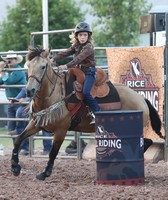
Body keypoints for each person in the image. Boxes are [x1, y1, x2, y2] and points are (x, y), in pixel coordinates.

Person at [51, 22, 98, 154]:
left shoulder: (89, 47)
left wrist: (66, 66)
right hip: (79, 71)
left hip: (89, 72)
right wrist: (54, 58)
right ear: (76, 36)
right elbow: (67, 52)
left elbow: (78, 59)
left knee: (86, 92)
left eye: (85, 35)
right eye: (80, 35)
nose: (82, 37)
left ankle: (97, 113)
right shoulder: (76, 45)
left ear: (88, 36)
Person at [8, 87, 52, 155]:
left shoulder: (42, 86)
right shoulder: (25, 88)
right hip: (32, 110)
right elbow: (19, 97)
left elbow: (40, 97)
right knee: (20, 113)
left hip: (43, 109)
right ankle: (25, 147)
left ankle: (47, 149)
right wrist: (15, 100)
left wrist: (25, 99)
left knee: (45, 126)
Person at [0, 51, 27, 151]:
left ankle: (25, 148)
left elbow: (9, 81)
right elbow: (1, 81)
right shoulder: (9, 71)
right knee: (11, 128)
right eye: (7, 59)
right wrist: (2, 71)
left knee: (21, 125)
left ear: (16, 60)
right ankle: (17, 148)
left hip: (20, 100)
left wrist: (2, 71)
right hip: (11, 101)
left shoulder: (19, 70)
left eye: (11, 59)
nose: (8, 60)